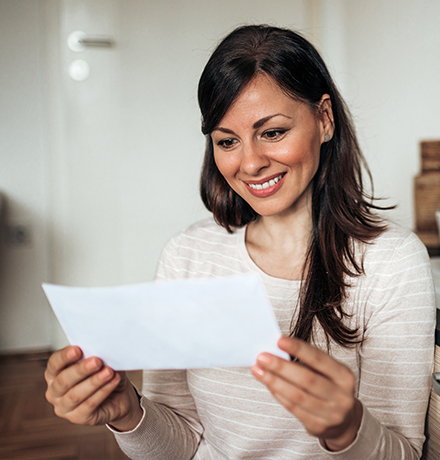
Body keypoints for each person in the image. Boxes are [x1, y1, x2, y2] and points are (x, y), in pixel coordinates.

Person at [45, 25, 436, 459]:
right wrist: (127, 413)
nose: (249, 163)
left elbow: (404, 452)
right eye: (227, 141)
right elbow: (181, 448)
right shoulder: (187, 255)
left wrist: (348, 430)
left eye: (272, 132)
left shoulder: (392, 263)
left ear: (324, 119)